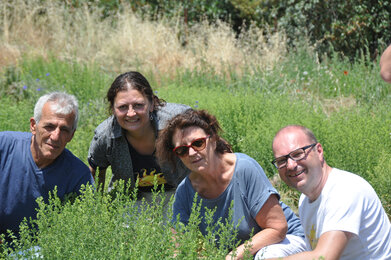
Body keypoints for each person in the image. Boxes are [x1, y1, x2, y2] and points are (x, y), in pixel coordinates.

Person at [156, 109, 307, 260]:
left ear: (213, 139)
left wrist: (232, 257)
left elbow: (277, 228)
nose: (191, 153)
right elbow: (176, 246)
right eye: (182, 150)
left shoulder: (244, 168)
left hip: (286, 242)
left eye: (198, 143)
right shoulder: (185, 192)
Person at [271, 125, 391, 260]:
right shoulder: (305, 200)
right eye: (282, 160)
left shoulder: (345, 190)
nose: (291, 165)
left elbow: (324, 257)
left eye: (298, 154)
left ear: (319, 151)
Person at [0, 92, 94, 242]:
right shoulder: (4, 145)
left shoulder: (78, 175)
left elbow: (86, 228)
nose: (55, 136)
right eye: (49, 126)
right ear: (33, 126)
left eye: (64, 130)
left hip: (37, 250)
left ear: (72, 135)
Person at [88, 71, 189, 200]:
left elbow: (210, 149)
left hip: (179, 192)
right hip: (132, 197)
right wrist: (96, 207)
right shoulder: (105, 136)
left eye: (138, 105)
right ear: (113, 109)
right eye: (123, 107)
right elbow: (96, 171)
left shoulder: (178, 122)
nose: (131, 113)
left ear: (152, 104)